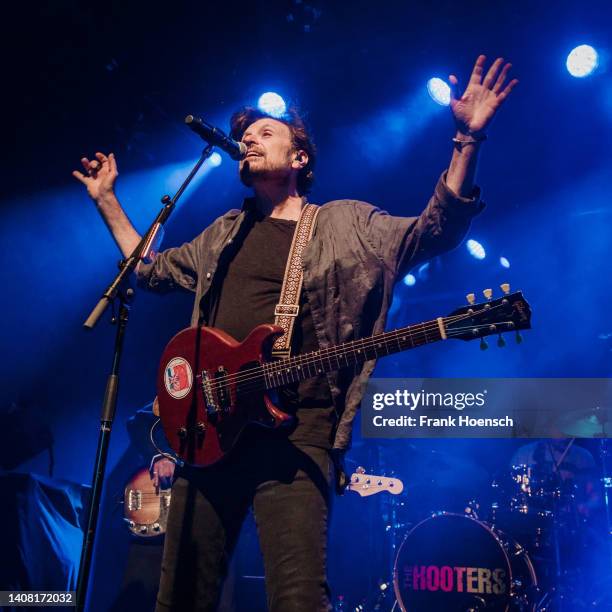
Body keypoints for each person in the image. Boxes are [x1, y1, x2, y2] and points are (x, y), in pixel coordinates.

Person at [74, 55, 517, 612]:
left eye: (266, 132)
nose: (249, 140)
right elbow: (151, 270)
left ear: (299, 157)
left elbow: (434, 230)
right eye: (244, 135)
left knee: (298, 599)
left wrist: (465, 140)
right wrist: (108, 202)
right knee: (180, 596)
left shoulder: (345, 224)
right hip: (207, 432)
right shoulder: (223, 234)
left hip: (297, 433)